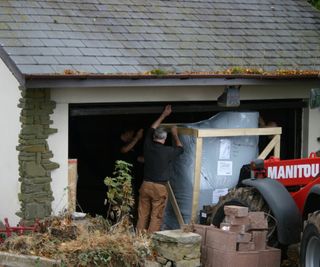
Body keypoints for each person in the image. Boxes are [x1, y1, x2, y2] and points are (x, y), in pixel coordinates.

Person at [136, 105, 184, 233]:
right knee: (156, 217)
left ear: (153, 137)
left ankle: (139, 241)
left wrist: (164, 115)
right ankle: (150, 244)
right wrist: (175, 134)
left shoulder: (147, 144)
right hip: (159, 187)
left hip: (145, 185)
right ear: (164, 138)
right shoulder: (167, 151)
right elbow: (180, 148)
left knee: (143, 214)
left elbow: (152, 127)